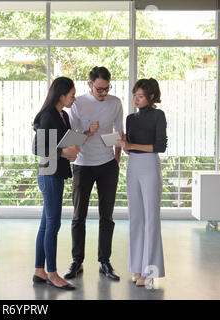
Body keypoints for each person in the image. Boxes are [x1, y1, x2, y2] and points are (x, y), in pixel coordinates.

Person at [64, 66, 123, 281]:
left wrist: (116, 159)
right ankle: (76, 261)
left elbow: (119, 131)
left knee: (106, 217)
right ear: (89, 85)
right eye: (99, 89)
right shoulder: (77, 103)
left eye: (107, 89)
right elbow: (71, 138)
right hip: (82, 164)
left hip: (107, 164)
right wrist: (87, 131)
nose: (104, 93)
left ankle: (104, 262)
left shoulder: (115, 102)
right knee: (79, 216)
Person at [116, 78, 167, 287]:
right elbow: (129, 149)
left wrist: (131, 144)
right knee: (135, 217)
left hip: (150, 166)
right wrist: (123, 143)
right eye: (134, 95)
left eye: (140, 96)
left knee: (151, 218)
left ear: (151, 97)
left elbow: (159, 146)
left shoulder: (158, 115)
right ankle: (137, 267)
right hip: (133, 166)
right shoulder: (130, 118)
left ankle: (151, 270)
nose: (136, 99)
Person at [32, 77, 80, 290]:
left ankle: (39, 271)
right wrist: (63, 152)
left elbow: (63, 142)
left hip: (58, 172)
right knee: (53, 225)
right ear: (61, 95)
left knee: (46, 225)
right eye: (71, 95)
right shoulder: (47, 116)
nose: (74, 98)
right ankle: (52, 273)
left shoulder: (64, 116)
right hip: (49, 174)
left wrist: (70, 152)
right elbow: (38, 148)